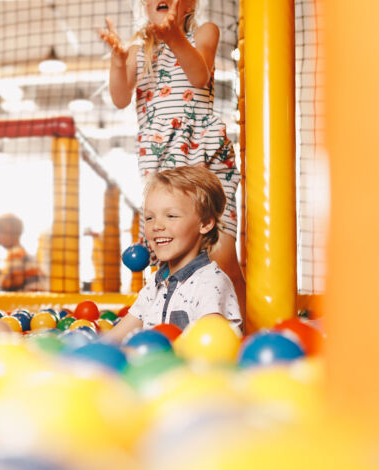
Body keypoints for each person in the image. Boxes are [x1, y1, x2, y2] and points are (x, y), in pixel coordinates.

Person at [100, 0, 246, 320]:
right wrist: (118, 59)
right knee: (167, 257)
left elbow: (199, 74)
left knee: (221, 254)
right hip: (164, 160)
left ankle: (243, 329)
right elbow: (120, 96)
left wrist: (173, 37)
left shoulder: (204, 33)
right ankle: (170, 326)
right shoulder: (140, 50)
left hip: (204, 156)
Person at [105, 166, 241, 343]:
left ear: (205, 223)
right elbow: (114, 338)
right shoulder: (155, 285)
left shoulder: (210, 284)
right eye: (149, 218)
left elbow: (213, 346)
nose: (156, 226)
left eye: (171, 216)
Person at [0, 213, 47, 291]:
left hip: (31, 297)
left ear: (10, 233)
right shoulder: (21, 252)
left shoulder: (16, 253)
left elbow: (17, 280)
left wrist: (3, 283)